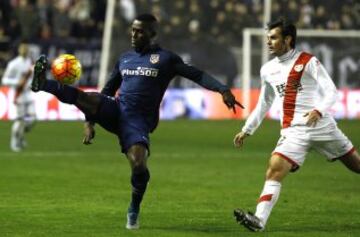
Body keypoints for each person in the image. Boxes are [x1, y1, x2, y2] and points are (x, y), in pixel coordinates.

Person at [31, 13, 243, 230]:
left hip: (139, 120)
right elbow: (107, 91)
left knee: (139, 165)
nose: (134, 34)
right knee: (89, 96)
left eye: (139, 31)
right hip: (116, 109)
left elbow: (196, 74)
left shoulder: (166, 59)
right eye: (133, 29)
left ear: (152, 33)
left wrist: (223, 89)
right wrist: (90, 121)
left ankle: (134, 207)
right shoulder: (124, 58)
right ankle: (43, 83)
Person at [233, 18, 360, 232]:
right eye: (268, 38)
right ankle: (259, 220)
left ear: (288, 39)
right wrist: (247, 129)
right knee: (274, 169)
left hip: (322, 127)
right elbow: (265, 102)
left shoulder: (308, 61)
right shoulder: (268, 70)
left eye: (273, 38)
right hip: (294, 132)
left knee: (357, 166)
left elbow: (331, 91)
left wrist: (318, 110)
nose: (269, 42)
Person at [1, 42, 35, 152]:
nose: (25, 50)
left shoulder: (30, 62)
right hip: (18, 95)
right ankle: (14, 142)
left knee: (32, 119)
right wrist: (17, 82)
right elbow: (4, 80)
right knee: (20, 120)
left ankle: (20, 135)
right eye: (23, 48)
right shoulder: (13, 64)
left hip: (28, 95)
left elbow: (31, 77)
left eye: (27, 48)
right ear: (19, 50)